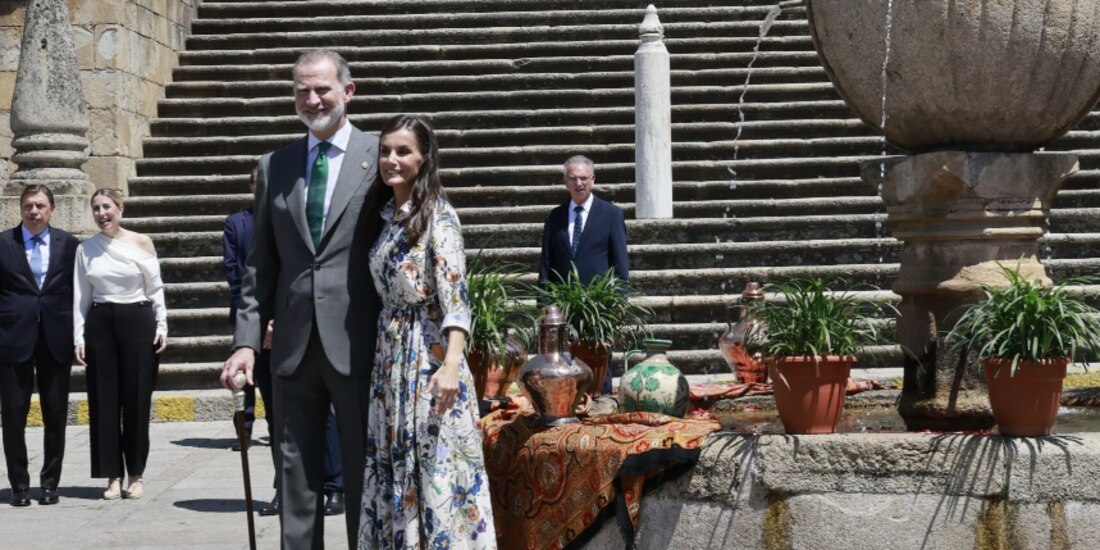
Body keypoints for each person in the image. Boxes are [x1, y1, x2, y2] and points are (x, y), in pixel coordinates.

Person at [221, 48, 381, 550]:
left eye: (322, 89)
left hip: (359, 342)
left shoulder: (382, 156)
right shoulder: (275, 165)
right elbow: (259, 267)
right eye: (302, 91)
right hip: (289, 346)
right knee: (295, 471)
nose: (312, 100)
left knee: (362, 468)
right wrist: (245, 342)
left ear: (347, 92)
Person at [358, 115, 496, 549]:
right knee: (396, 464)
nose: (391, 160)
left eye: (403, 151)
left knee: (437, 467)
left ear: (424, 157)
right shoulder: (388, 216)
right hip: (391, 361)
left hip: (428, 360)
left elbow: (457, 297)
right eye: (385, 151)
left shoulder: (439, 215)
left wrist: (452, 366)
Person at [223, 168, 347, 517]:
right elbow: (240, 279)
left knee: (326, 414)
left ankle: (334, 485)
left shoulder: (298, 218)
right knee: (277, 417)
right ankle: (285, 487)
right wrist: (257, 328)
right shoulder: (239, 225)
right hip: (260, 336)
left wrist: (286, 320)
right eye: (256, 185)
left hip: (301, 326)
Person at [73, 188, 168, 500]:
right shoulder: (86, 249)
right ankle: (112, 475)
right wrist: (79, 335)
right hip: (101, 323)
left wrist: (162, 324)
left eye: (107, 207)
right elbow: (81, 297)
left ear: (120, 208)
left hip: (138, 320)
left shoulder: (142, 243)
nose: (102, 213)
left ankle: (136, 475)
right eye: (96, 208)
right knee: (104, 401)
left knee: (137, 399)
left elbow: (155, 288)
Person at [0, 185, 79, 507]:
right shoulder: (3, 243)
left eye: (40, 206)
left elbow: (78, 289)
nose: (34, 211)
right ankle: (19, 486)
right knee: (13, 415)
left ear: (52, 210)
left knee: (55, 413)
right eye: (29, 206)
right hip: (12, 338)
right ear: (20, 209)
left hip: (56, 337)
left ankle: (50, 483)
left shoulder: (69, 244)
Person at [537, 155, 630, 392]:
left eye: (584, 179)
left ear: (593, 180)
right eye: (573, 179)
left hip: (597, 308)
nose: (579, 184)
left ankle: (601, 397)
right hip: (563, 307)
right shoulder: (554, 217)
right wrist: (544, 302)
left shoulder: (611, 215)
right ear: (565, 182)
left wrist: (619, 300)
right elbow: (547, 262)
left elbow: (620, 263)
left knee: (598, 362)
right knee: (562, 364)